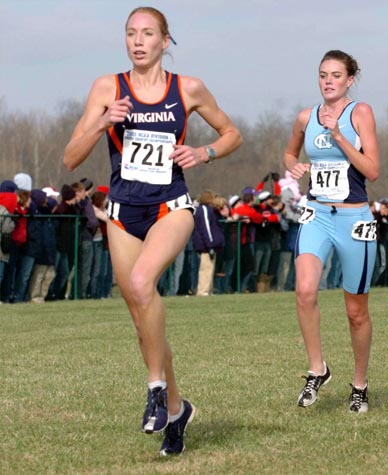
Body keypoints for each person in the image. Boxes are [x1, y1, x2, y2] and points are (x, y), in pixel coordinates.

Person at [62, 6, 242, 456]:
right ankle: (178, 411)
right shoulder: (108, 88)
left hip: (171, 207)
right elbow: (70, 159)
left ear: (165, 41)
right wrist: (104, 121)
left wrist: (204, 153)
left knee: (143, 283)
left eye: (147, 34)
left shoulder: (188, 88)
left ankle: (156, 388)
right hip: (123, 213)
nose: (138, 41)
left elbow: (232, 133)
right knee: (144, 321)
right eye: (130, 33)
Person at [283, 50, 379, 413]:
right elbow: (289, 154)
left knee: (356, 311)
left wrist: (340, 137)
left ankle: (359, 384)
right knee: (305, 291)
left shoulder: (361, 113)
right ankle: (317, 368)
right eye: (323, 74)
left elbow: (372, 170)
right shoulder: (305, 117)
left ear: (350, 80)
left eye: (336, 75)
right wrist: (295, 166)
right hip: (317, 214)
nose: (328, 81)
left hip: (354, 218)